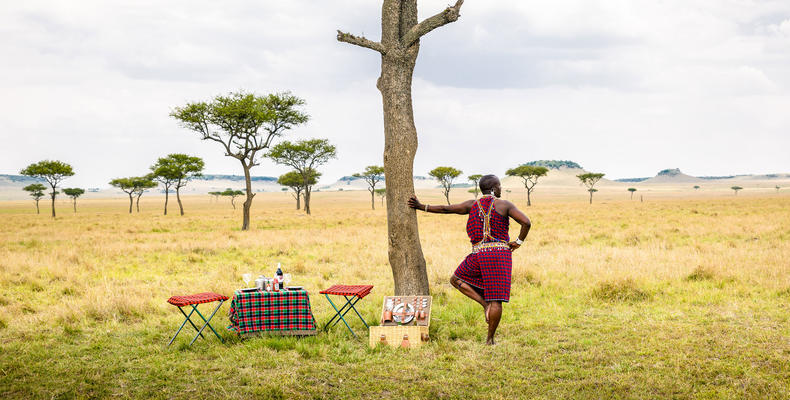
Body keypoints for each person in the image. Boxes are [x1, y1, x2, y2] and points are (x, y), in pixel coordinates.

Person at [408, 174, 531, 345]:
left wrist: (421, 207)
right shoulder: (505, 205)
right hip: (500, 255)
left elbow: (446, 209)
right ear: (494, 189)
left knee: (456, 279)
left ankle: (484, 304)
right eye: (500, 186)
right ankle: (489, 338)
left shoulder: (471, 204)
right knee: (495, 299)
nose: (501, 189)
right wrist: (518, 242)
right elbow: (526, 222)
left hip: (478, 254)